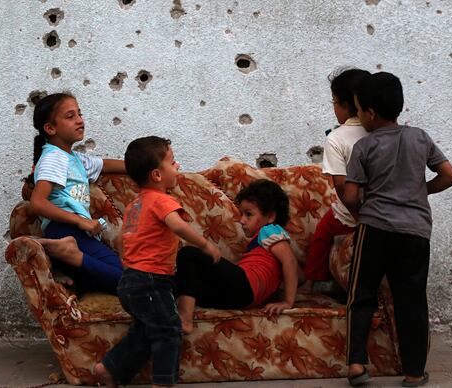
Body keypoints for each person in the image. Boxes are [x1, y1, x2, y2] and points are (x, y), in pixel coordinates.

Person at [341, 72, 452, 387]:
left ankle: (355, 364)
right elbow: (450, 175)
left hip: (375, 228)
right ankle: (414, 372)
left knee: (361, 295)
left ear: (370, 113)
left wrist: (362, 211)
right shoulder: (420, 137)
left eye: (358, 109)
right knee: (412, 301)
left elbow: (351, 195)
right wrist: (419, 191)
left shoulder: (363, 147)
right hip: (415, 232)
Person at [94, 136, 221, 388]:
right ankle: (163, 384)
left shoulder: (135, 204)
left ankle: (109, 368)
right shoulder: (162, 200)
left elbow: (121, 240)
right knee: (168, 330)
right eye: (173, 163)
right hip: (152, 281)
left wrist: (129, 263)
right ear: (157, 175)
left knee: (146, 330)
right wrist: (205, 244)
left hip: (130, 281)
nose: (178, 167)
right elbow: (177, 225)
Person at [28, 93, 125, 295]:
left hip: (76, 233)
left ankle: (64, 266)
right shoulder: (54, 158)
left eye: (79, 114)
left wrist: (145, 165)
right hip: (64, 230)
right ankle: (68, 254)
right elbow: (37, 203)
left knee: (113, 279)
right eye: (70, 116)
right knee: (129, 282)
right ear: (50, 128)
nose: (80, 120)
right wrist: (80, 221)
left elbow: (105, 164)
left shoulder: (72, 158)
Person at [176, 178, 300, 333]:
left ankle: (185, 319)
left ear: (270, 217)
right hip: (242, 299)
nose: (241, 221)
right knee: (186, 284)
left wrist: (288, 302)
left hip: (245, 287)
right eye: (242, 214)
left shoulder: (270, 230)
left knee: (188, 254)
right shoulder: (262, 241)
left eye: (248, 214)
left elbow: (290, 262)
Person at [302, 67, 370, 291]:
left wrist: (360, 217)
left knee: (322, 233)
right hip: (383, 211)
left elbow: (341, 187)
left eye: (333, 102)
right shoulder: (381, 131)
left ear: (344, 105)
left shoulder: (336, 138)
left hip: (351, 214)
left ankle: (312, 281)